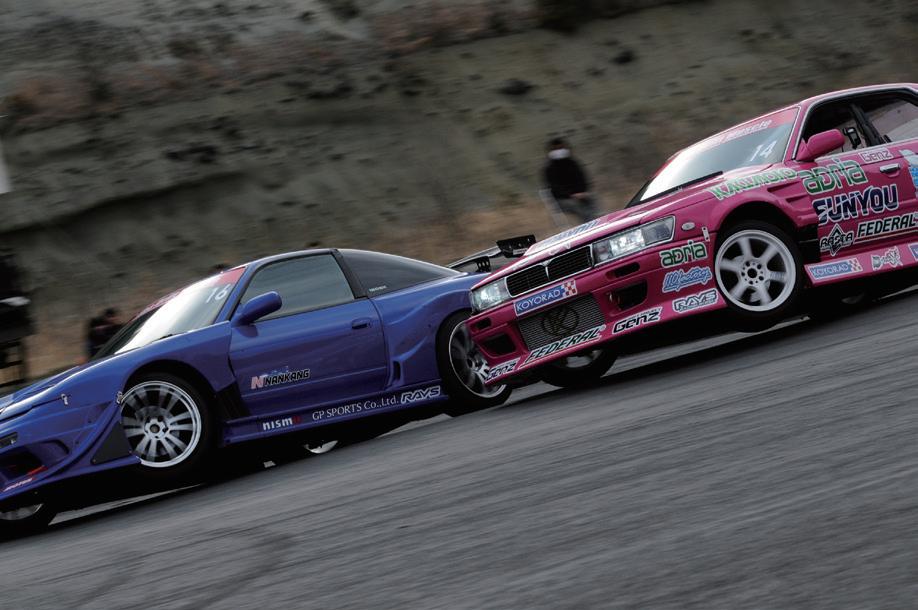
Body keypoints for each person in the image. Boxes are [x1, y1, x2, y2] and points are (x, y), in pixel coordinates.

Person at [542, 137, 598, 224]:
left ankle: (600, 220)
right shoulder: (549, 169)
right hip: (563, 200)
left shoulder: (573, 163)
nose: (559, 151)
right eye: (556, 149)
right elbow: (555, 188)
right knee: (579, 208)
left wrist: (583, 192)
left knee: (593, 200)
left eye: (561, 148)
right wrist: (571, 195)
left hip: (580, 195)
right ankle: (590, 224)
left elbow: (582, 178)